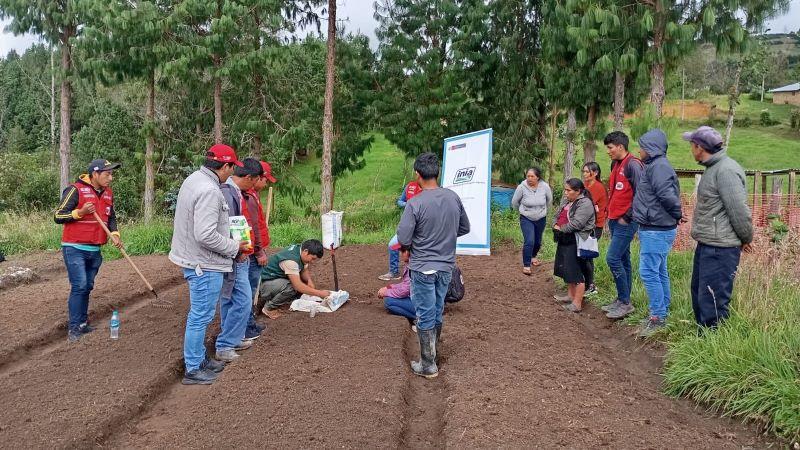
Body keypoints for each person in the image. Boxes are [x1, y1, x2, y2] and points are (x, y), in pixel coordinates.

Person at [170, 144, 248, 385]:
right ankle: (193, 368)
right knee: (201, 315)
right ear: (226, 166)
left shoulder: (194, 180)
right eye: (232, 168)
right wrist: (235, 248)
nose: (231, 173)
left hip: (197, 259)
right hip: (204, 263)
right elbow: (205, 234)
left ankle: (200, 359)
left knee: (201, 314)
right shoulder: (210, 190)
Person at [397, 152, 470, 379]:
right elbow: (464, 228)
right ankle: (433, 353)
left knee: (425, 313)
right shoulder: (453, 197)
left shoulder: (415, 203)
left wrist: (409, 248)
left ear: (417, 174)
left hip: (422, 267)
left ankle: (428, 364)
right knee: (437, 308)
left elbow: (404, 236)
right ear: (437, 172)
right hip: (446, 266)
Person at [684, 126, 753, 330]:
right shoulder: (714, 168)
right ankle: (702, 340)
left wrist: (746, 238)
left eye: (691, 145)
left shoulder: (726, 171)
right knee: (700, 293)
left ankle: (712, 347)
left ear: (699, 147)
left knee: (713, 301)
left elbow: (739, 211)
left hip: (721, 248)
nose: (690, 149)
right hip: (708, 244)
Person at [54, 159, 124, 343]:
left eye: (111, 173)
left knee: (87, 286)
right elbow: (58, 215)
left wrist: (115, 234)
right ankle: (74, 328)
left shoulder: (108, 193)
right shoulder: (74, 190)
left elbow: (111, 217)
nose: (111, 177)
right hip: (74, 247)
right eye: (107, 173)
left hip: (95, 249)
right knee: (80, 286)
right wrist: (81, 212)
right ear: (95, 174)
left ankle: (83, 323)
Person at [632, 129, 683, 337]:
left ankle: (658, 317)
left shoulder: (659, 167)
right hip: (656, 226)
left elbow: (667, 195)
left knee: (648, 272)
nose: (640, 150)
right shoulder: (655, 165)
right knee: (659, 270)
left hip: (656, 228)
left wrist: (677, 213)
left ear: (651, 148)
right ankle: (662, 311)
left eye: (642, 147)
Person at [214, 158, 264, 362]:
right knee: (242, 299)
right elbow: (231, 225)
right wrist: (240, 250)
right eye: (254, 182)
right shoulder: (228, 192)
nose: (254, 187)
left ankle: (231, 339)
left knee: (230, 298)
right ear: (248, 177)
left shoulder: (236, 192)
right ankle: (225, 344)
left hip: (239, 252)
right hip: (235, 254)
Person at [602, 131, 644, 320]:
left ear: (620, 146)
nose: (608, 151)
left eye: (610, 148)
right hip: (614, 218)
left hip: (626, 221)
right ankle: (622, 299)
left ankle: (626, 303)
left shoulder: (633, 165)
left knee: (612, 258)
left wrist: (627, 216)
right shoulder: (615, 164)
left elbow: (641, 194)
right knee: (623, 258)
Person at [241, 161, 276, 342]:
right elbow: (252, 227)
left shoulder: (253, 194)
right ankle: (246, 326)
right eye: (265, 180)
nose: (266, 184)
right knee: (247, 290)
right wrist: (259, 251)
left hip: (253, 250)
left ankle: (249, 323)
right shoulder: (248, 197)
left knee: (248, 289)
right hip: (252, 252)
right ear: (256, 178)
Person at [552, 178, 596, 313]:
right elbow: (556, 215)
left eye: (568, 190)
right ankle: (570, 296)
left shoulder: (585, 204)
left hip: (577, 241)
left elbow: (578, 223)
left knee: (576, 271)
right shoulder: (568, 201)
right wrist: (555, 225)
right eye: (565, 189)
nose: (565, 193)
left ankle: (577, 303)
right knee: (567, 268)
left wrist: (560, 228)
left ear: (578, 191)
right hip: (565, 238)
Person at [258, 240, 331, 320]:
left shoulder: (301, 250)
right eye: (313, 258)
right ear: (306, 251)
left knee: (304, 284)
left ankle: (283, 300)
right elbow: (297, 286)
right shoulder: (291, 261)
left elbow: (304, 269)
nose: (313, 262)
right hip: (264, 283)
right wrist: (319, 293)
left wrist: (309, 281)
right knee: (292, 288)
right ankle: (269, 308)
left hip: (276, 279)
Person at [511, 167, 553, 275]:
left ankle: (533, 256)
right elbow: (515, 202)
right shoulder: (521, 187)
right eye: (528, 176)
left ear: (537, 177)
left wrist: (543, 211)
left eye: (532, 176)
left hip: (541, 218)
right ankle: (526, 265)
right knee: (529, 241)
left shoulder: (545, 187)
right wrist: (523, 211)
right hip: (526, 218)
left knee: (538, 242)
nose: (529, 178)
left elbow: (549, 200)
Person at [379, 180, 422, 281]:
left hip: (422, 229)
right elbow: (400, 201)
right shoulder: (410, 186)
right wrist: (407, 204)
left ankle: (417, 273)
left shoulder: (430, 190)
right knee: (392, 245)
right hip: (407, 227)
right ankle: (394, 272)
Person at [581, 162, 608, 296]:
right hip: (585, 224)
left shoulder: (598, 188)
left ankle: (590, 285)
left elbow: (585, 204)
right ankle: (586, 283)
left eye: (587, 171)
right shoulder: (586, 185)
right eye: (583, 171)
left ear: (595, 173)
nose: (584, 174)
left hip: (595, 225)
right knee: (584, 254)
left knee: (587, 255)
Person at [378, 247, 416, 329]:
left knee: (389, 302)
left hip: (421, 304)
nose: (400, 254)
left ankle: (419, 318)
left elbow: (405, 290)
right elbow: (405, 284)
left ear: (408, 252)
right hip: (422, 301)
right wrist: (389, 287)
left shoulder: (413, 267)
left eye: (402, 251)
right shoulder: (412, 263)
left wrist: (386, 292)